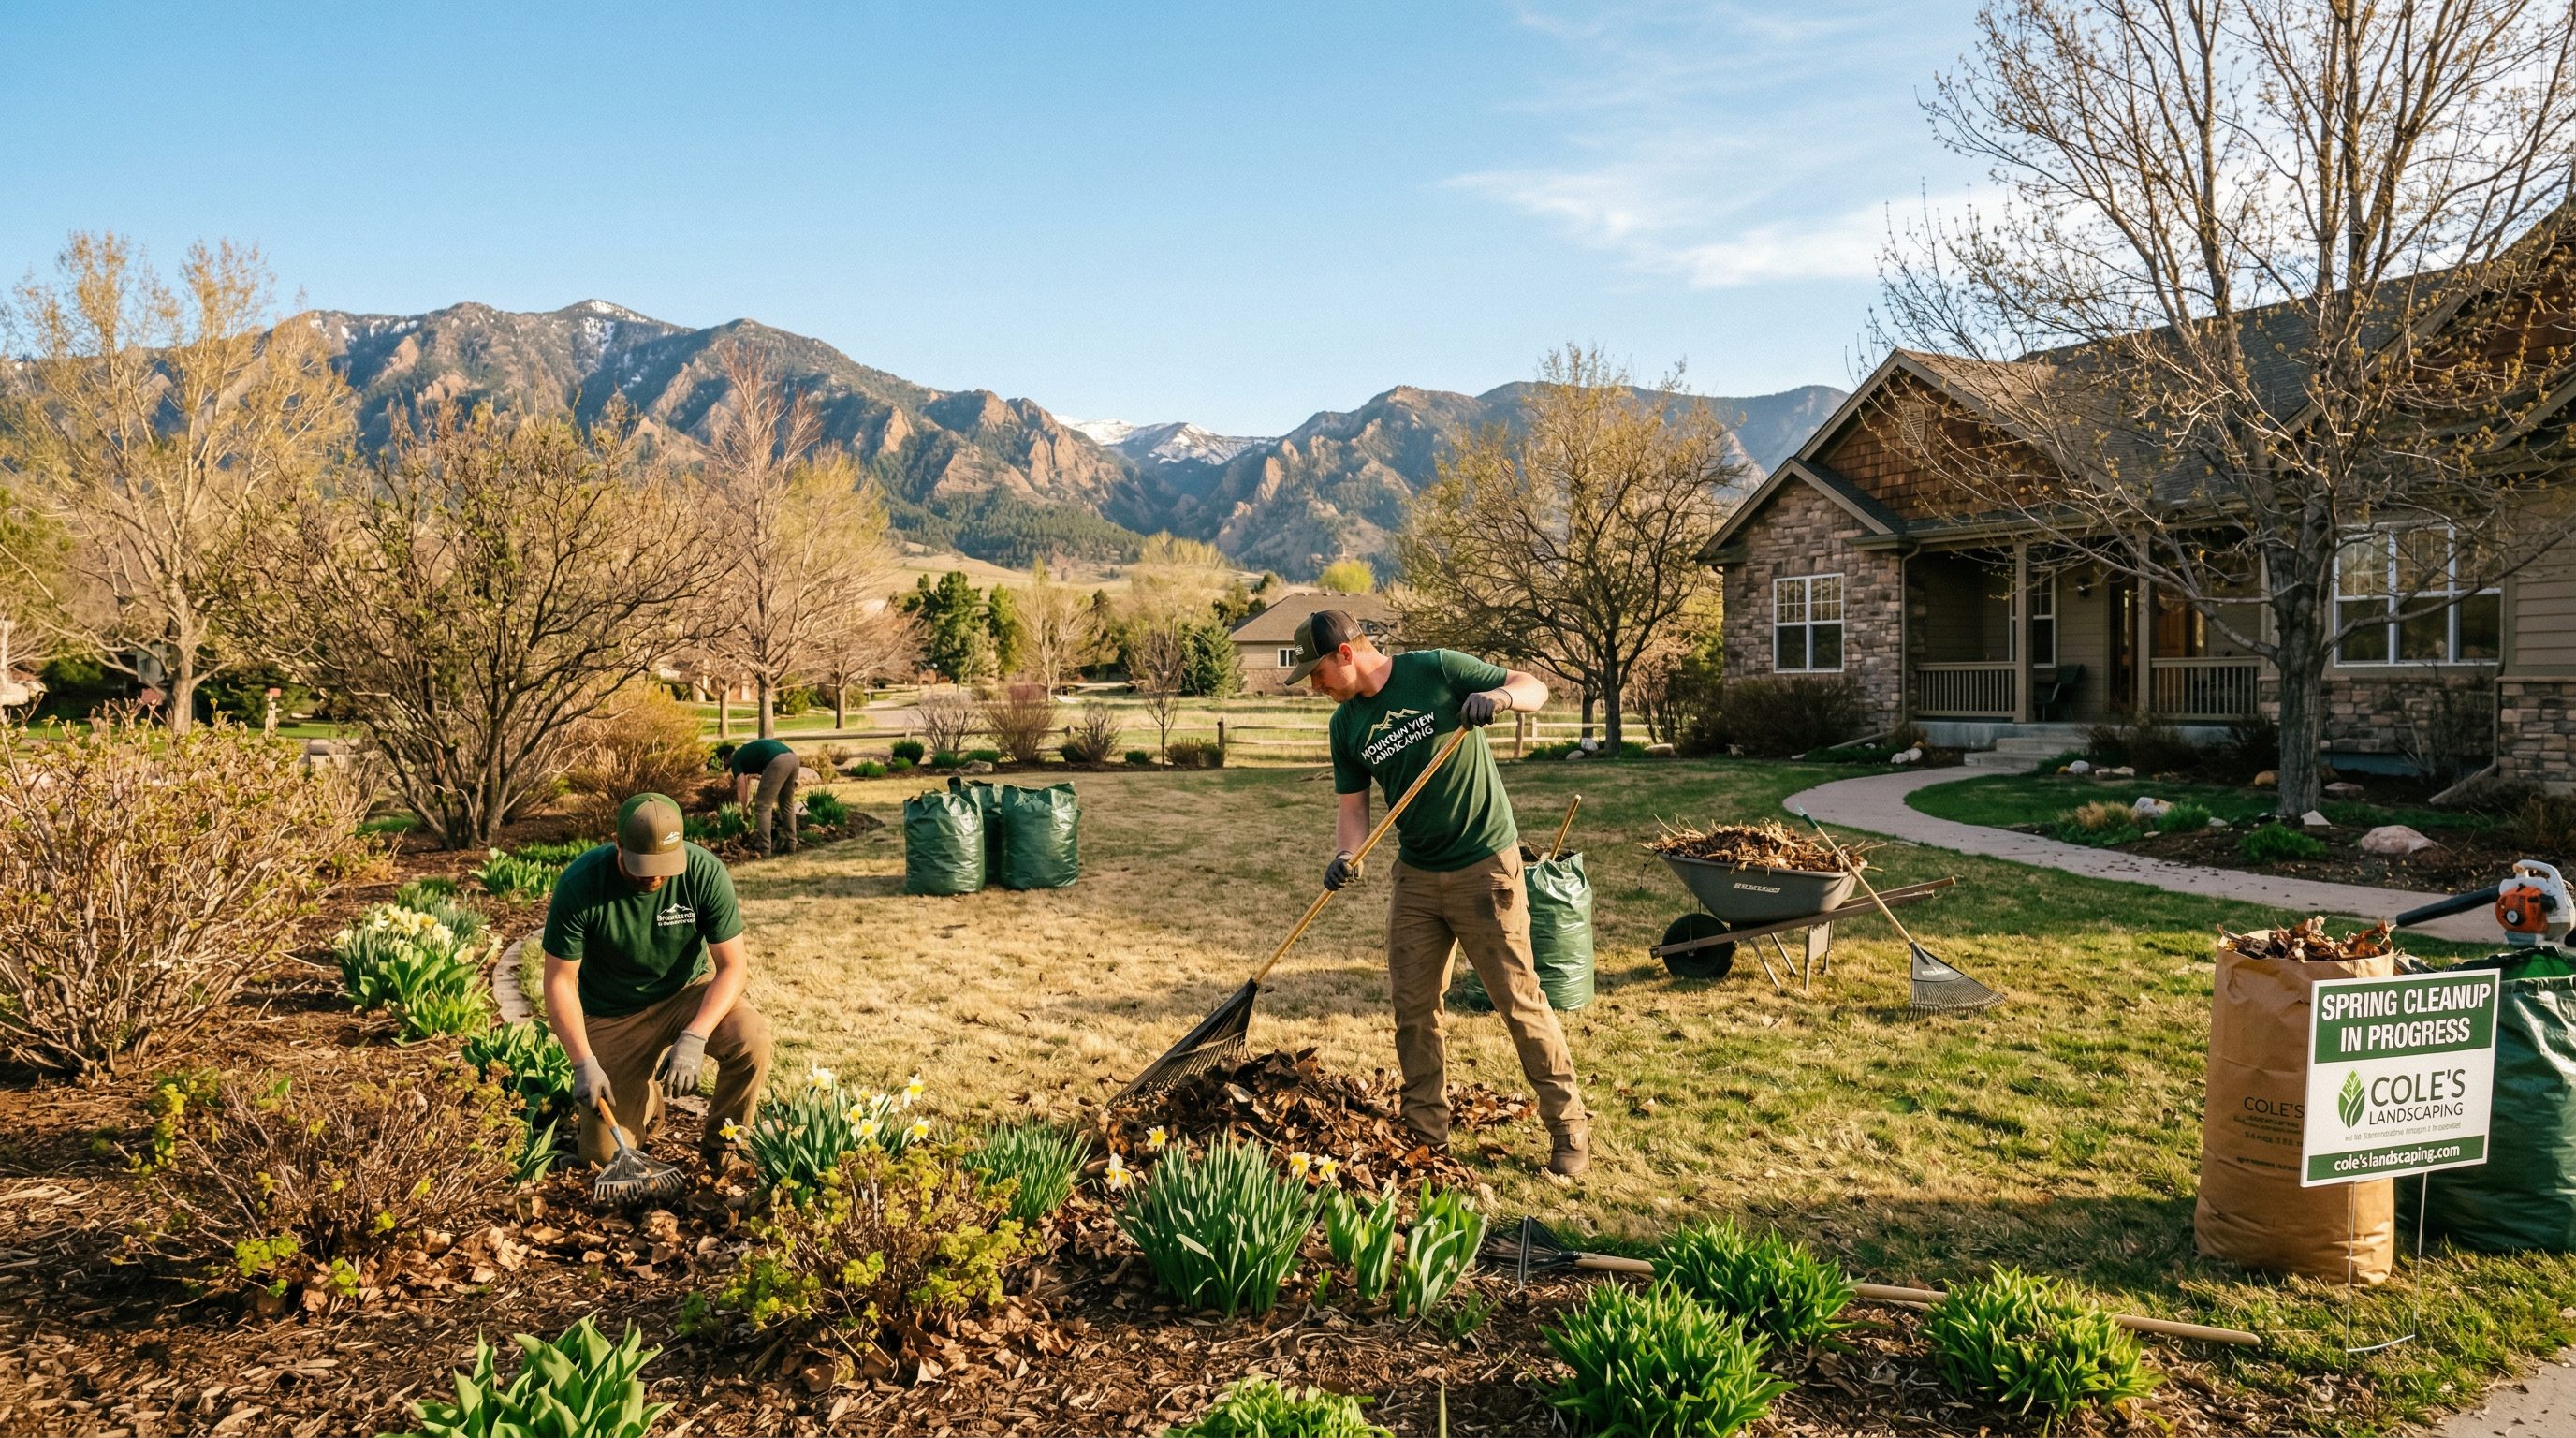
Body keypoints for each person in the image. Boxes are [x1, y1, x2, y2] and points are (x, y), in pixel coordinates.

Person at [1286, 609, 1590, 1178]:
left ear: (1346, 655)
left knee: (1519, 1002)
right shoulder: (1345, 727)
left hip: (1485, 866)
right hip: (1417, 877)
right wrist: (1345, 856)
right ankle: (1428, 1132)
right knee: (1413, 1009)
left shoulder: (1437, 670)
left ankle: (1568, 1126)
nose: (1314, 684)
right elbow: (1353, 809)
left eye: (1317, 671)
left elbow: (1536, 688)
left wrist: (1499, 698)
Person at [541, 792, 773, 1168]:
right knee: (603, 1158)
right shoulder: (581, 884)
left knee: (751, 1039)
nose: (656, 876)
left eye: (665, 865)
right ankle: (647, 1097)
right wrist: (583, 1062)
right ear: (617, 843)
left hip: (686, 994)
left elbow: (733, 967)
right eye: (643, 865)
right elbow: (559, 982)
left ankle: (723, 1147)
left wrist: (696, 1035)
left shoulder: (704, 872)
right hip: (613, 1011)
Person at [727, 735, 801, 856]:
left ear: (725, 758)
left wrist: (744, 810)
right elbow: (746, 782)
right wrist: (747, 801)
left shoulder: (735, 759)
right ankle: (791, 845)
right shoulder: (745, 752)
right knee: (787, 804)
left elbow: (741, 786)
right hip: (793, 758)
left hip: (777, 761)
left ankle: (765, 850)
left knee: (762, 807)